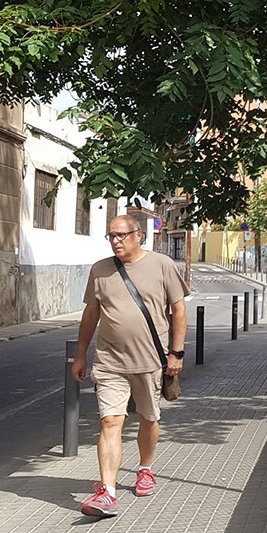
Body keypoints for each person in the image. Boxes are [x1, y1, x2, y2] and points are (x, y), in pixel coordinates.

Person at [72, 215, 190, 517]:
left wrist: (176, 353)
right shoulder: (100, 270)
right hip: (110, 360)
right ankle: (108, 492)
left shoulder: (162, 265)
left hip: (151, 359)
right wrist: (81, 354)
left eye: (122, 235)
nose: (116, 241)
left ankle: (146, 468)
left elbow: (178, 309)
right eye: (111, 236)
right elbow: (91, 314)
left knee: (148, 417)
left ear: (139, 236)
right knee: (110, 422)